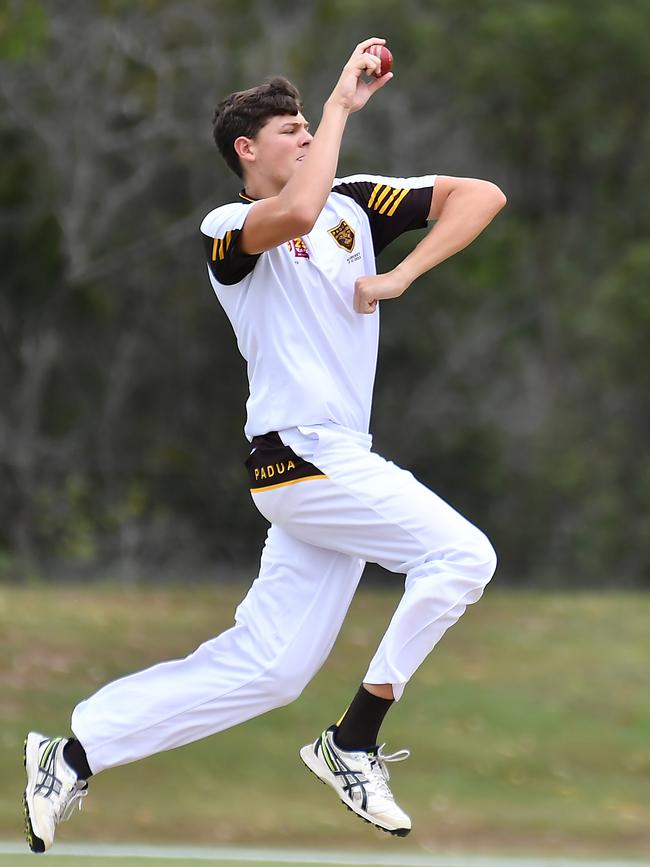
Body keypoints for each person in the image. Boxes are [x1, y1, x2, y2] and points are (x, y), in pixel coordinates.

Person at [23, 37, 506, 853]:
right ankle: (352, 742)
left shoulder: (356, 204)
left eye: (310, 127)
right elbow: (295, 214)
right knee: (465, 557)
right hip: (298, 455)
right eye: (293, 131)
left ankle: (71, 754)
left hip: (333, 464)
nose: (310, 136)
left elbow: (481, 195)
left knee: (271, 668)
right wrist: (342, 105)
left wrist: (401, 274)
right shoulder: (230, 225)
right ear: (247, 151)